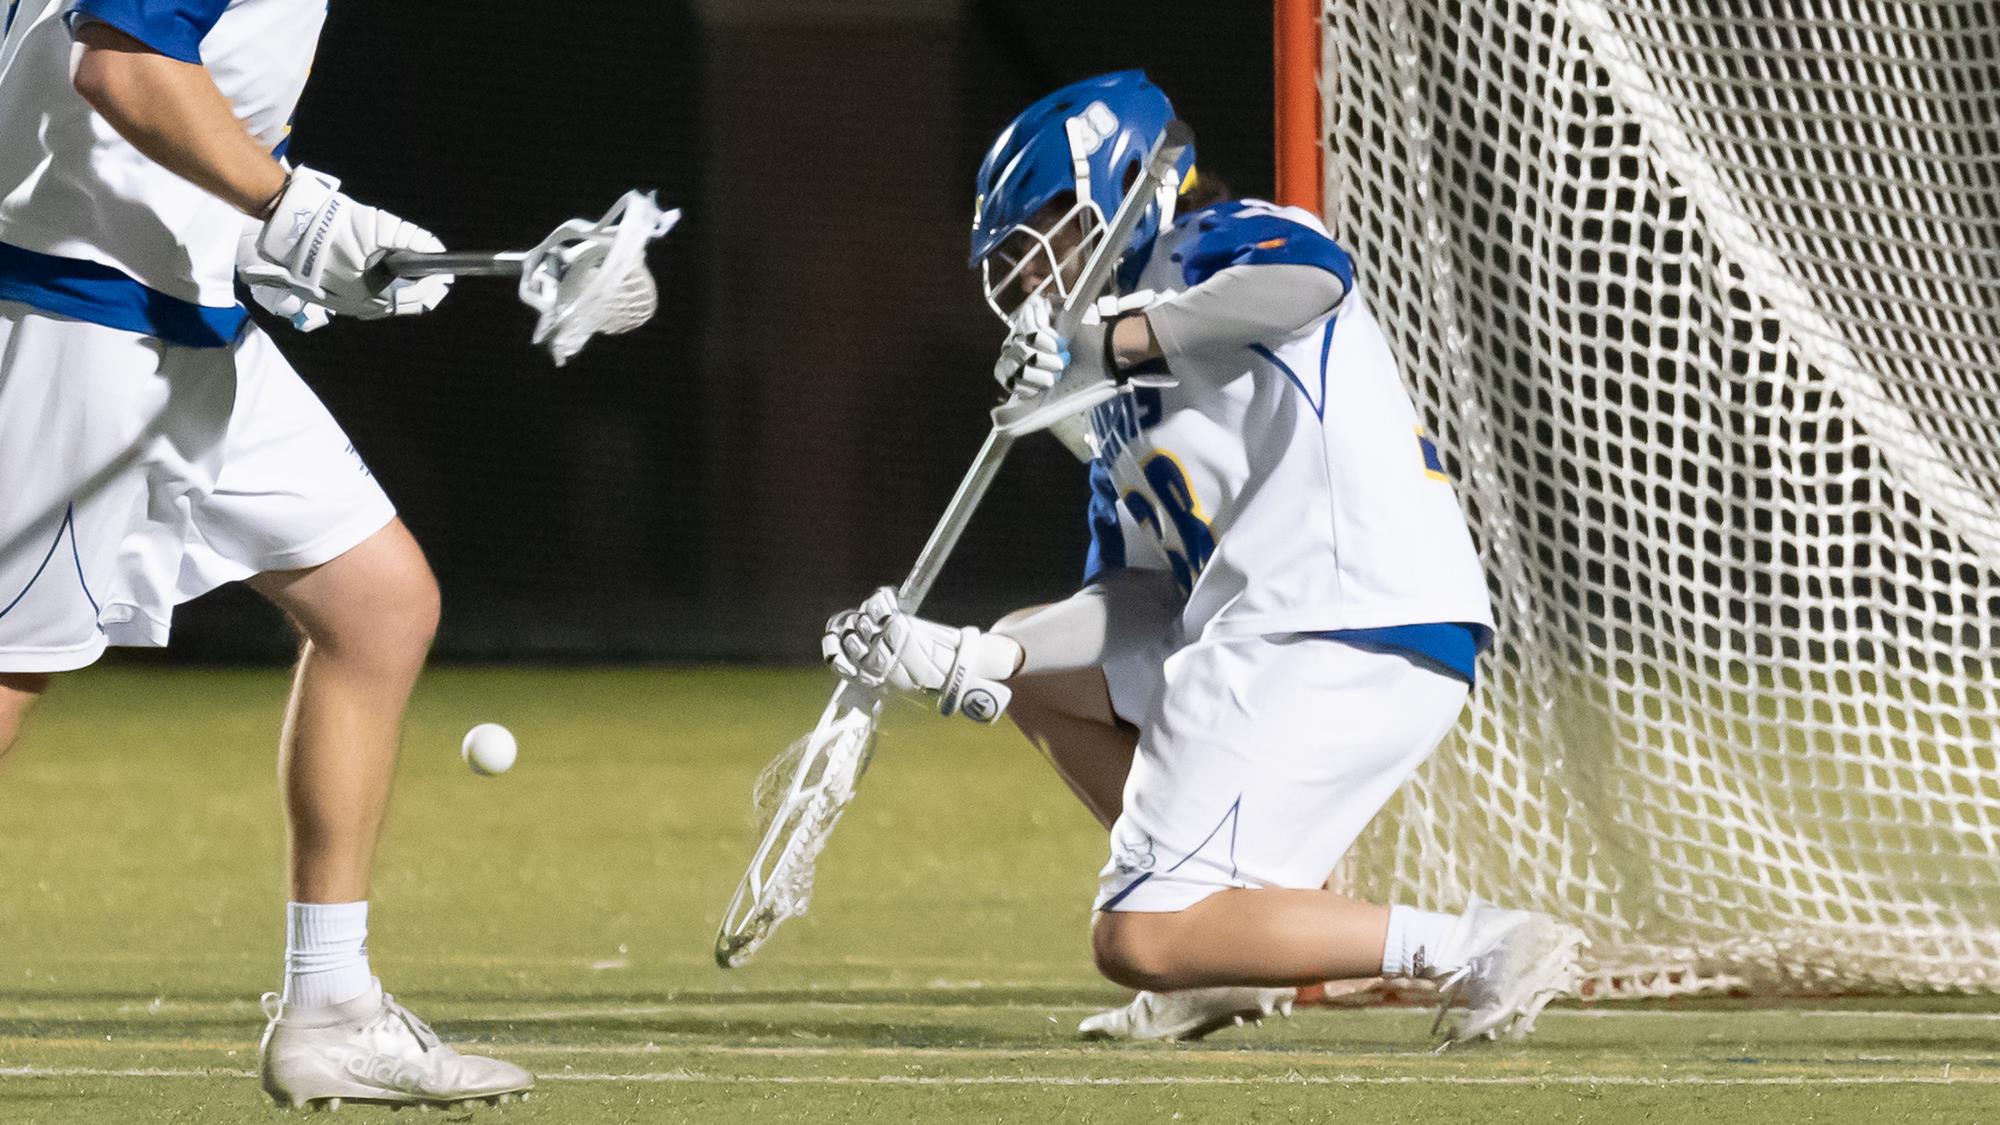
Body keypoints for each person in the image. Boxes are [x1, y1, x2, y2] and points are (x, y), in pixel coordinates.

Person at [824, 70, 1583, 1045]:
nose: (1027, 286)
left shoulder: (1207, 249)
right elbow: (1137, 600)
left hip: (1336, 620)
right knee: (1039, 669)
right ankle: (1216, 960)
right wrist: (978, 655)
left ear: (1118, 191)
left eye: (1038, 247)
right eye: (1009, 272)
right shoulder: (1103, 397)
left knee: (1136, 938)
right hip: (1283, 630)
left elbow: (1312, 281)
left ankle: (1481, 945)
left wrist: (1112, 339)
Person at [0, 0, 531, 1108]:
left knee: (377, 606)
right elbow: (123, 71)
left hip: (155, 309)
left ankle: (331, 1010)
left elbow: (149, 85)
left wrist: (289, 237)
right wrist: (293, 214)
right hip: (73, 318)